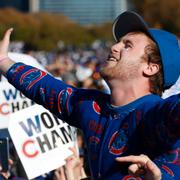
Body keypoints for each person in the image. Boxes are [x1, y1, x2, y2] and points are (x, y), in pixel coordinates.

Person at [0, 11, 179, 179]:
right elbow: (46, 88)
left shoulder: (158, 114)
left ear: (150, 67)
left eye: (127, 45)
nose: (114, 47)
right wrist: (4, 61)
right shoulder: (91, 106)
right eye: (119, 41)